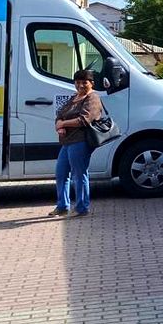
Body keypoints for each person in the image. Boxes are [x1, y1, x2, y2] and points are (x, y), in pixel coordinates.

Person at [49, 69, 103, 218]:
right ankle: (62, 206)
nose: (80, 86)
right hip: (67, 142)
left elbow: (84, 119)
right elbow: (60, 115)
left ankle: (81, 207)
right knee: (61, 174)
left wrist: (63, 123)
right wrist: (59, 126)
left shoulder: (93, 98)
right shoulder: (74, 97)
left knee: (79, 174)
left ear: (91, 83)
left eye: (84, 82)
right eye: (77, 82)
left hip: (81, 141)